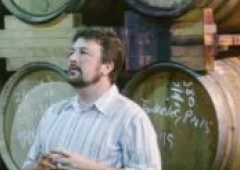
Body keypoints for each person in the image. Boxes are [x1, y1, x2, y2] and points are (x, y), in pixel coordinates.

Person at [23, 27, 161, 170]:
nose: (72, 58)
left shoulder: (131, 118)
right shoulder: (53, 113)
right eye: (72, 52)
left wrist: (90, 168)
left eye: (83, 53)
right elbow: (28, 164)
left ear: (106, 67)